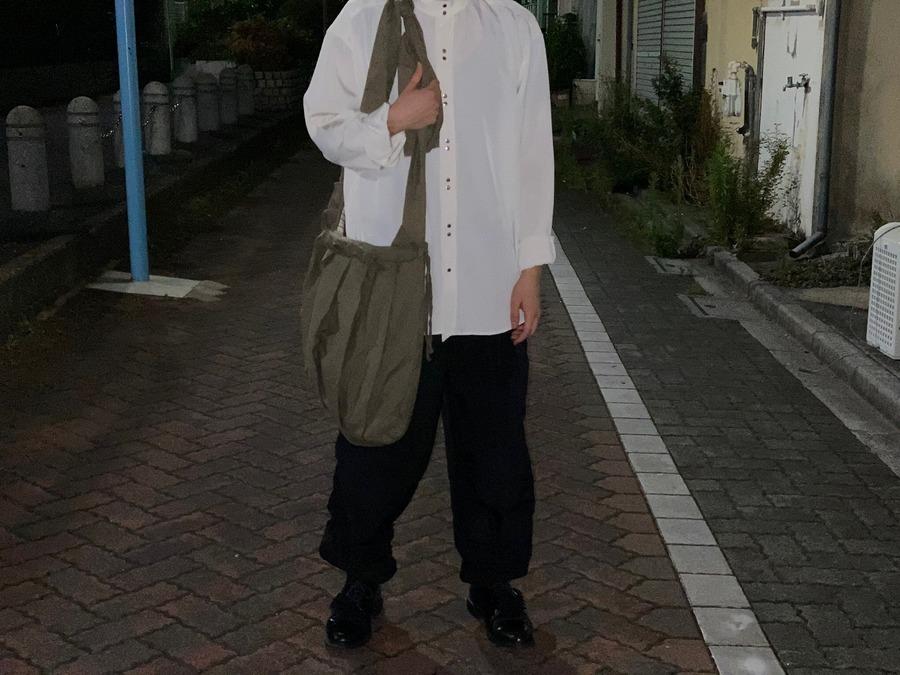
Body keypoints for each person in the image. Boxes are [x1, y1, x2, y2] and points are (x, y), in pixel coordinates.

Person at [303, 0, 555, 649]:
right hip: (393, 293)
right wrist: (391, 120)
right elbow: (323, 122)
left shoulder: (513, 27)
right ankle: (361, 579)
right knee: (374, 448)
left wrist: (530, 267)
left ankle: (493, 583)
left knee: (496, 453)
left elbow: (532, 151)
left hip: (487, 287)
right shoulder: (362, 19)